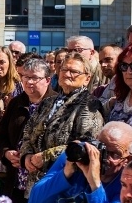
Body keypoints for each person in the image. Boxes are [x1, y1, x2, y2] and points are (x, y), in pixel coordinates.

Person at [20, 53, 104, 192]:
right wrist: (26, 156)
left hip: (66, 184)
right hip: (36, 182)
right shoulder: (47, 102)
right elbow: (28, 132)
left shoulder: (89, 105)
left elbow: (86, 145)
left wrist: (45, 157)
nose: (67, 74)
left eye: (74, 71)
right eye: (64, 69)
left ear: (87, 78)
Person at [29, 122, 132, 203]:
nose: (105, 158)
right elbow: (34, 202)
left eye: (115, 154)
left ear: (128, 159)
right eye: (101, 148)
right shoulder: (77, 154)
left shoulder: (125, 184)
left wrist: (95, 184)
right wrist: (66, 172)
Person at [0, 58, 56, 203]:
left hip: (43, 180)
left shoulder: (57, 105)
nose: (29, 82)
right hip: (16, 179)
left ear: (47, 80)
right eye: (26, 77)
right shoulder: (16, 103)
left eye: (35, 78)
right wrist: (6, 152)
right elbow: (0, 135)